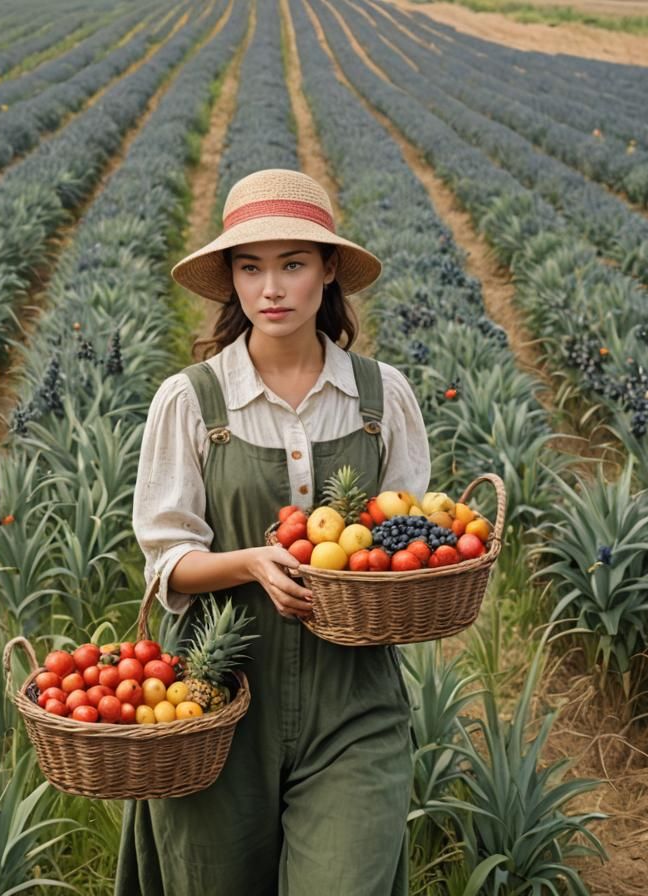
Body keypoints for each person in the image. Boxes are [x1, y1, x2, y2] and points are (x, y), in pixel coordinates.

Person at [115, 169, 430, 895]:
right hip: (214, 702)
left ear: (327, 271)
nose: (272, 289)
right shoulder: (191, 401)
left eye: (292, 264)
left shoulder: (382, 399)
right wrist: (250, 563)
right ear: (230, 280)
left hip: (354, 701)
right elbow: (166, 563)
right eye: (251, 268)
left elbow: (412, 541)